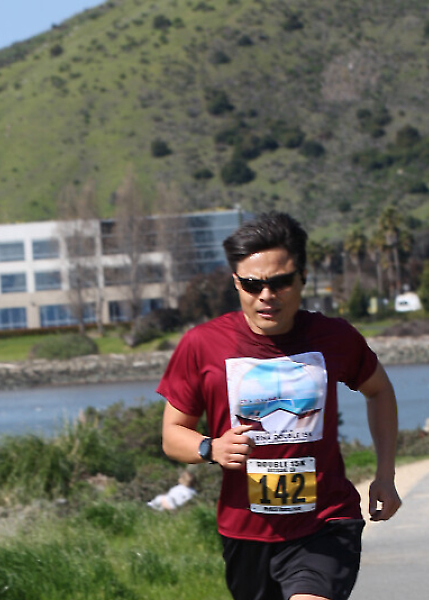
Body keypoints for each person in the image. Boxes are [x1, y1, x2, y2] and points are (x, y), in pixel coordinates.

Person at [158, 211, 401, 600]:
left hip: (325, 523)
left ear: (302, 277)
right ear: (236, 282)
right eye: (252, 284)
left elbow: (380, 391)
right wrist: (210, 447)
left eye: (280, 282)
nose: (266, 296)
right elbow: (172, 435)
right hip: (245, 532)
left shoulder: (335, 337)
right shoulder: (202, 345)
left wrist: (385, 475)